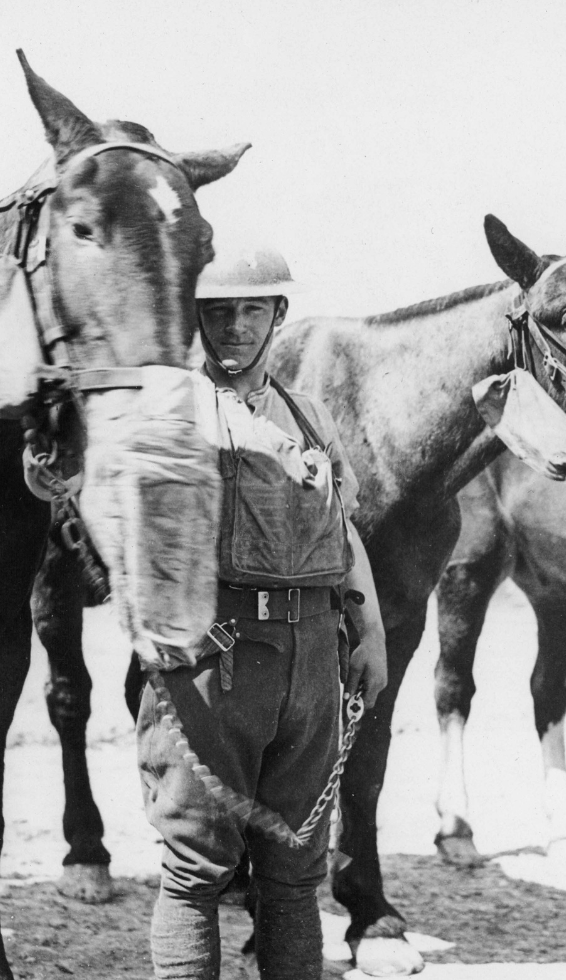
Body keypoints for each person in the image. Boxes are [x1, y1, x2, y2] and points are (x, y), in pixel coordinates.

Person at [136, 245, 388, 980]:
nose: (236, 327)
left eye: (252, 309)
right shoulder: (170, 407)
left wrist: (368, 629)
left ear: (280, 315)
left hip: (311, 657)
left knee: (294, 871)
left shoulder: (307, 416)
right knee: (194, 867)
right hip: (215, 655)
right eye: (218, 312)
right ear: (198, 319)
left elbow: (343, 529)